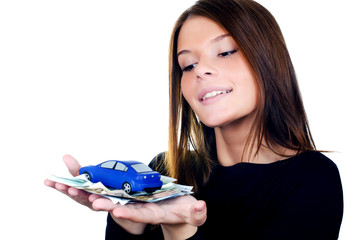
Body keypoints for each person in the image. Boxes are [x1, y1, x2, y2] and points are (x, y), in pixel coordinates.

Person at [44, 0, 343, 239]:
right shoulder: (163, 172)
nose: (200, 71)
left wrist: (179, 228)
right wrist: (127, 222)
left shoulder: (312, 179)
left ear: (268, 60)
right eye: (188, 65)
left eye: (224, 52)